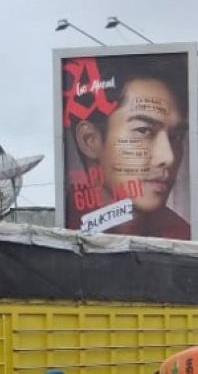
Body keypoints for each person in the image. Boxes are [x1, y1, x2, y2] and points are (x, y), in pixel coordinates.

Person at [63, 55, 190, 238]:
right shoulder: (64, 233)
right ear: (90, 140)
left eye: (176, 136)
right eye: (144, 131)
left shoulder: (181, 238)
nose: (168, 157)